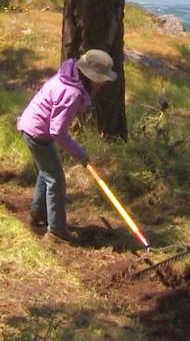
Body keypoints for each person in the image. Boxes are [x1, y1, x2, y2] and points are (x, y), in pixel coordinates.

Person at [16, 49, 117, 244]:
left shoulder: (70, 79)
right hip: (37, 133)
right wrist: (80, 154)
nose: (104, 83)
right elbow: (58, 132)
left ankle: (38, 215)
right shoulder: (71, 93)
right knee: (56, 180)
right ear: (92, 77)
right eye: (102, 79)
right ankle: (56, 231)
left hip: (35, 128)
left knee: (46, 173)